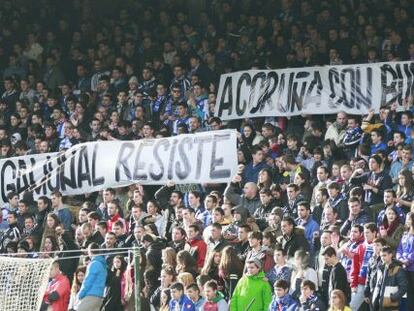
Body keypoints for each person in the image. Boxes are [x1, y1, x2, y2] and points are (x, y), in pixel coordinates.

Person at [371, 246, 408, 311]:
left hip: (391, 306)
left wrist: (392, 298)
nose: (382, 258)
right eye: (381, 256)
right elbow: (378, 286)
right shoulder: (381, 268)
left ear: (390, 255)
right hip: (379, 305)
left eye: (384, 255)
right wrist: (375, 299)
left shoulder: (398, 269)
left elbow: (404, 288)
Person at [76, 243, 108, 311]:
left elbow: (88, 281)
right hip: (99, 296)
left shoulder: (94, 264)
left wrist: (80, 294)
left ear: (89, 251)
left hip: (91, 295)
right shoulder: (103, 265)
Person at [396, 212, 414, 310]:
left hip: (412, 268)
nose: (407, 221)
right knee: (408, 294)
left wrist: (408, 260)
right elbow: (399, 249)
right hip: (405, 268)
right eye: (406, 219)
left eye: (409, 219)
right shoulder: (405, 234)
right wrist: (400, 259)